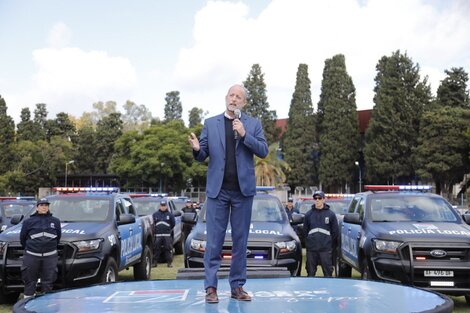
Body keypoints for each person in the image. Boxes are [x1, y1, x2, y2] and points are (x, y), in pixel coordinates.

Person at [188, 84, 268, 303]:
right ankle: (211, 288)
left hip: (243, 192)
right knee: (214, 241)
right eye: (232, 95)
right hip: (218, 192)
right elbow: (203, 152)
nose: (234, 99)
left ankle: (237, 287)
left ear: (244, 103)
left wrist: (244, 134)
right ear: (226, 98)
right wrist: (196, 149)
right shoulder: (210, 123)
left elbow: (263, 150)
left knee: (240, 242)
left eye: (239, 97)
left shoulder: (252, 124)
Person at [20, 198, 61, 298]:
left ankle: (46, 307)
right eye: (41, 205)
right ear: (37, 207)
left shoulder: (55, 221)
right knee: (30, 282)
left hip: (50, 257)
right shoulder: (28, 222)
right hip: (32, 256)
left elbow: (58, 238)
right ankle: (28, 306)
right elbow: (23, 239)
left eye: (46, 205)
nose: (44, 207)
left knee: (48, 283)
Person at [303, 190, 338, 277]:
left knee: (328, 274)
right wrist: (309, 244)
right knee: (310, 273)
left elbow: (335, 233)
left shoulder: (331, 214)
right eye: (315, 198)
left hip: (325, 250)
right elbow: (304, 232)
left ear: (323, 199)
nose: (317, 200)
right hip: (312, 250)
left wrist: (328, 243)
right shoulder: (308, 215)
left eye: (319, 198)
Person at [152, 200, 175, 268]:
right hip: (158, 235)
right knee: (156, 249)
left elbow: (173, 224)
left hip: (167, 235)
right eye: (162, 206)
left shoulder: (170, 215)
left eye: (164, 206)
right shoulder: (155, 214)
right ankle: (155, 263)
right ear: (160, 206)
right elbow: (153, 224)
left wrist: (167, 230)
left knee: (168, 249)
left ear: (166, 206)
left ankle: (169, 263)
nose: (163, 207)